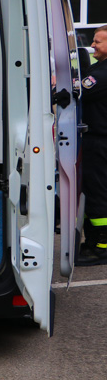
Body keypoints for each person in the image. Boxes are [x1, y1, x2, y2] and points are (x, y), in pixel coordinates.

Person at [78, 25, 107, 265]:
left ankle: (101, 246)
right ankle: (93, 243)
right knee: (94, 193)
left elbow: (78, 91)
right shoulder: (99, 68)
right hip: (96, 140)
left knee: (98, 194)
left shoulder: (103, 73)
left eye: (98, 41)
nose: (93, 45)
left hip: (99, 142)